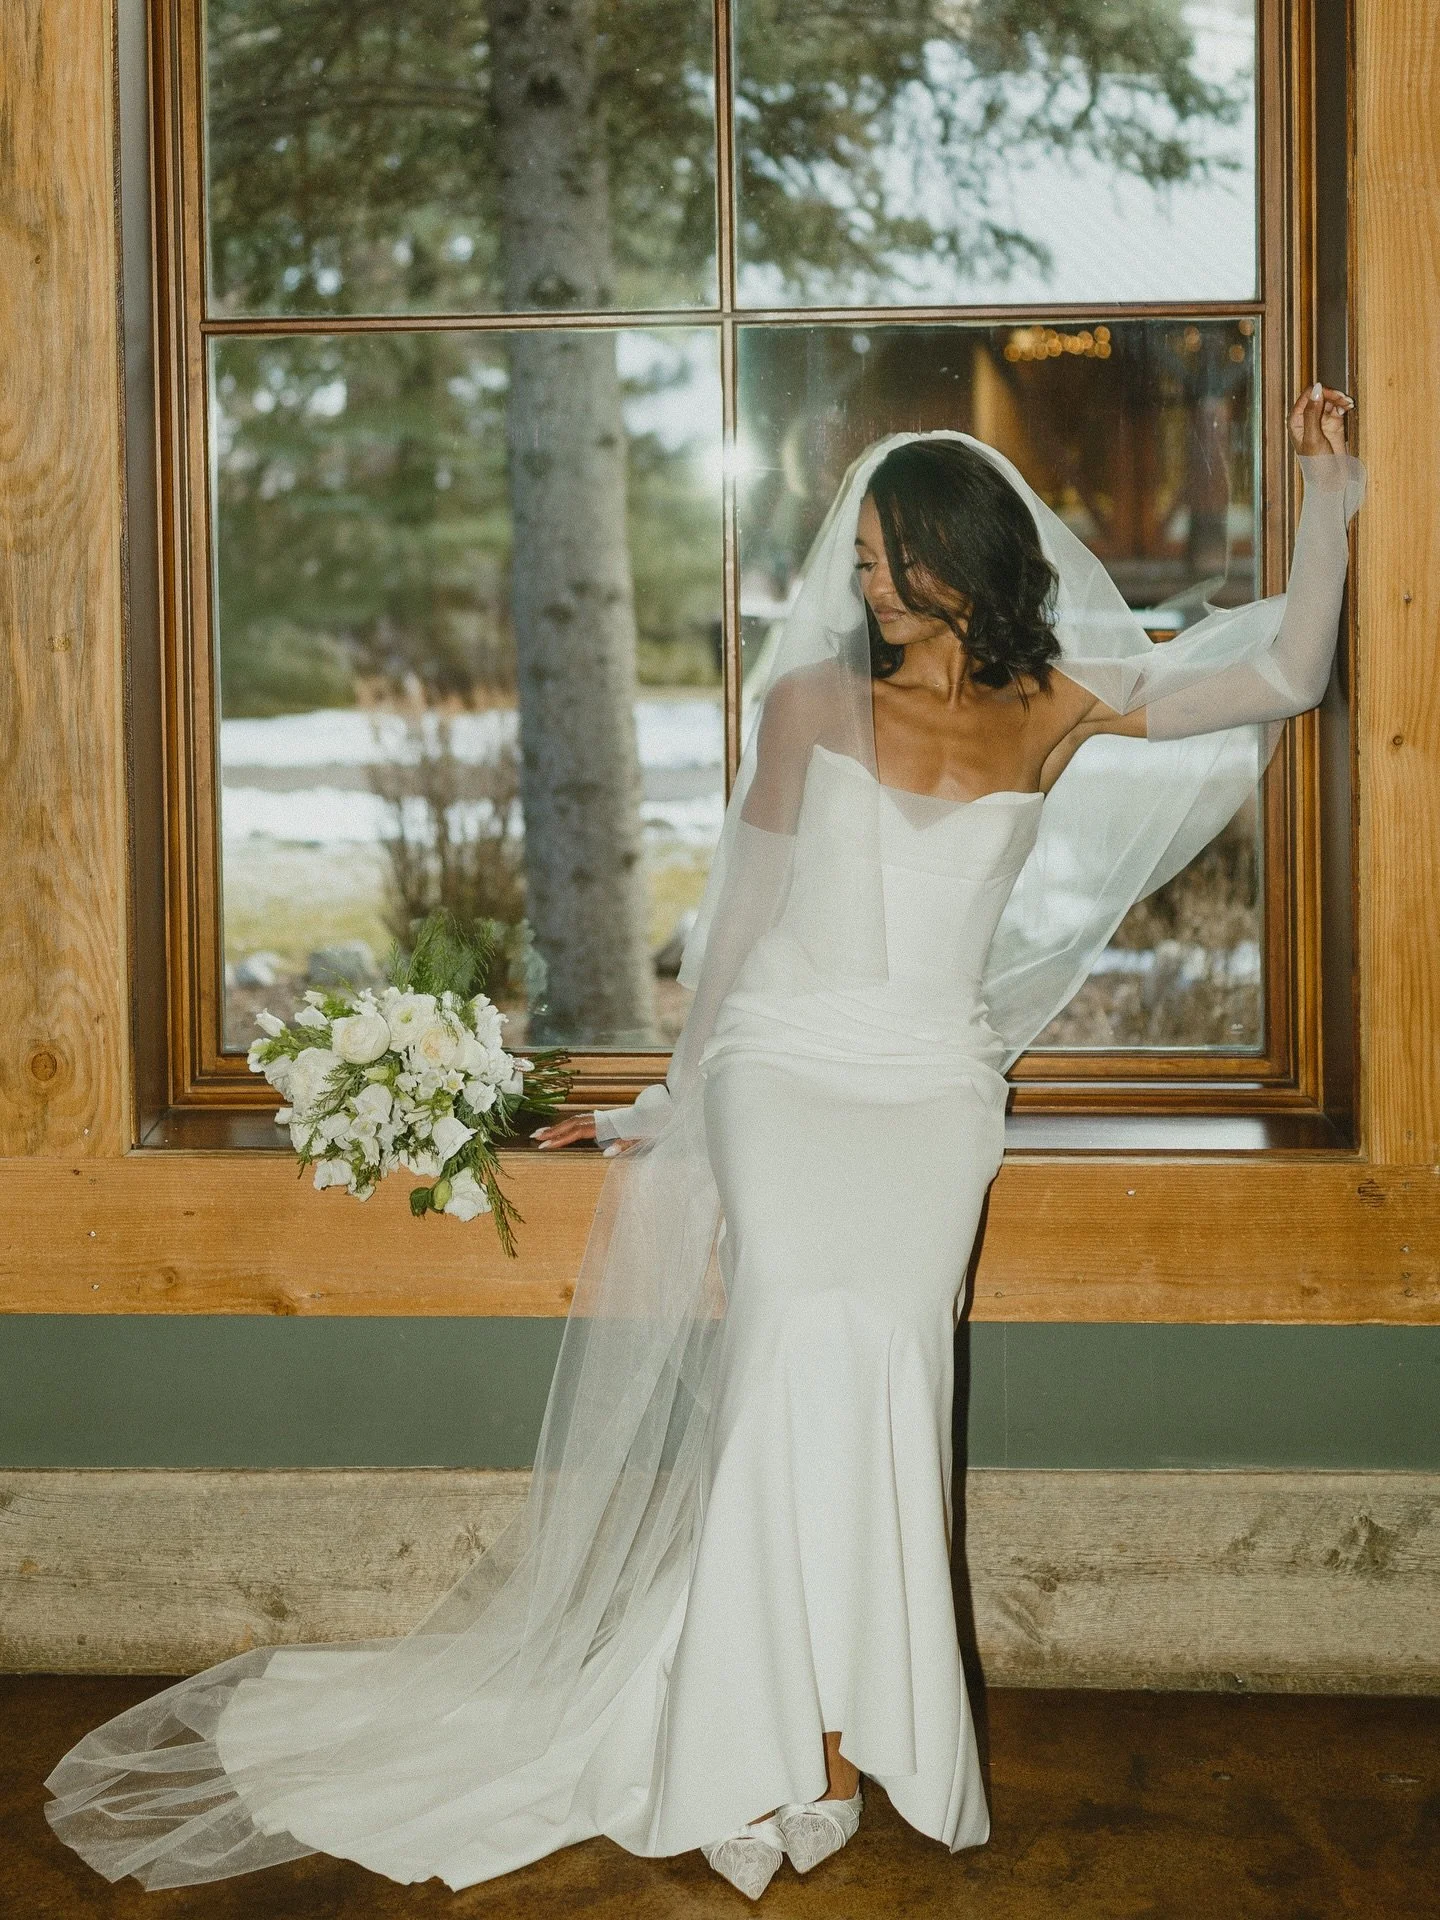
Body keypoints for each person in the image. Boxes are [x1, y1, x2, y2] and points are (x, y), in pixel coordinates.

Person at [45, 386, 1361, 1900]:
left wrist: (1328, 496)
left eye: (885, 557)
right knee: (800, 1325)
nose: (860, 579)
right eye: (857, 557)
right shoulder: (809, 700)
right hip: (788, 1066)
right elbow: (737, 917)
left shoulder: (1057, 698)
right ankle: (760, 1744)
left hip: (932, 1088)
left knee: (892, 1363)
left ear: (958, 561)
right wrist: (685, 1087)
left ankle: (856, 1729)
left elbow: (1283, 670)